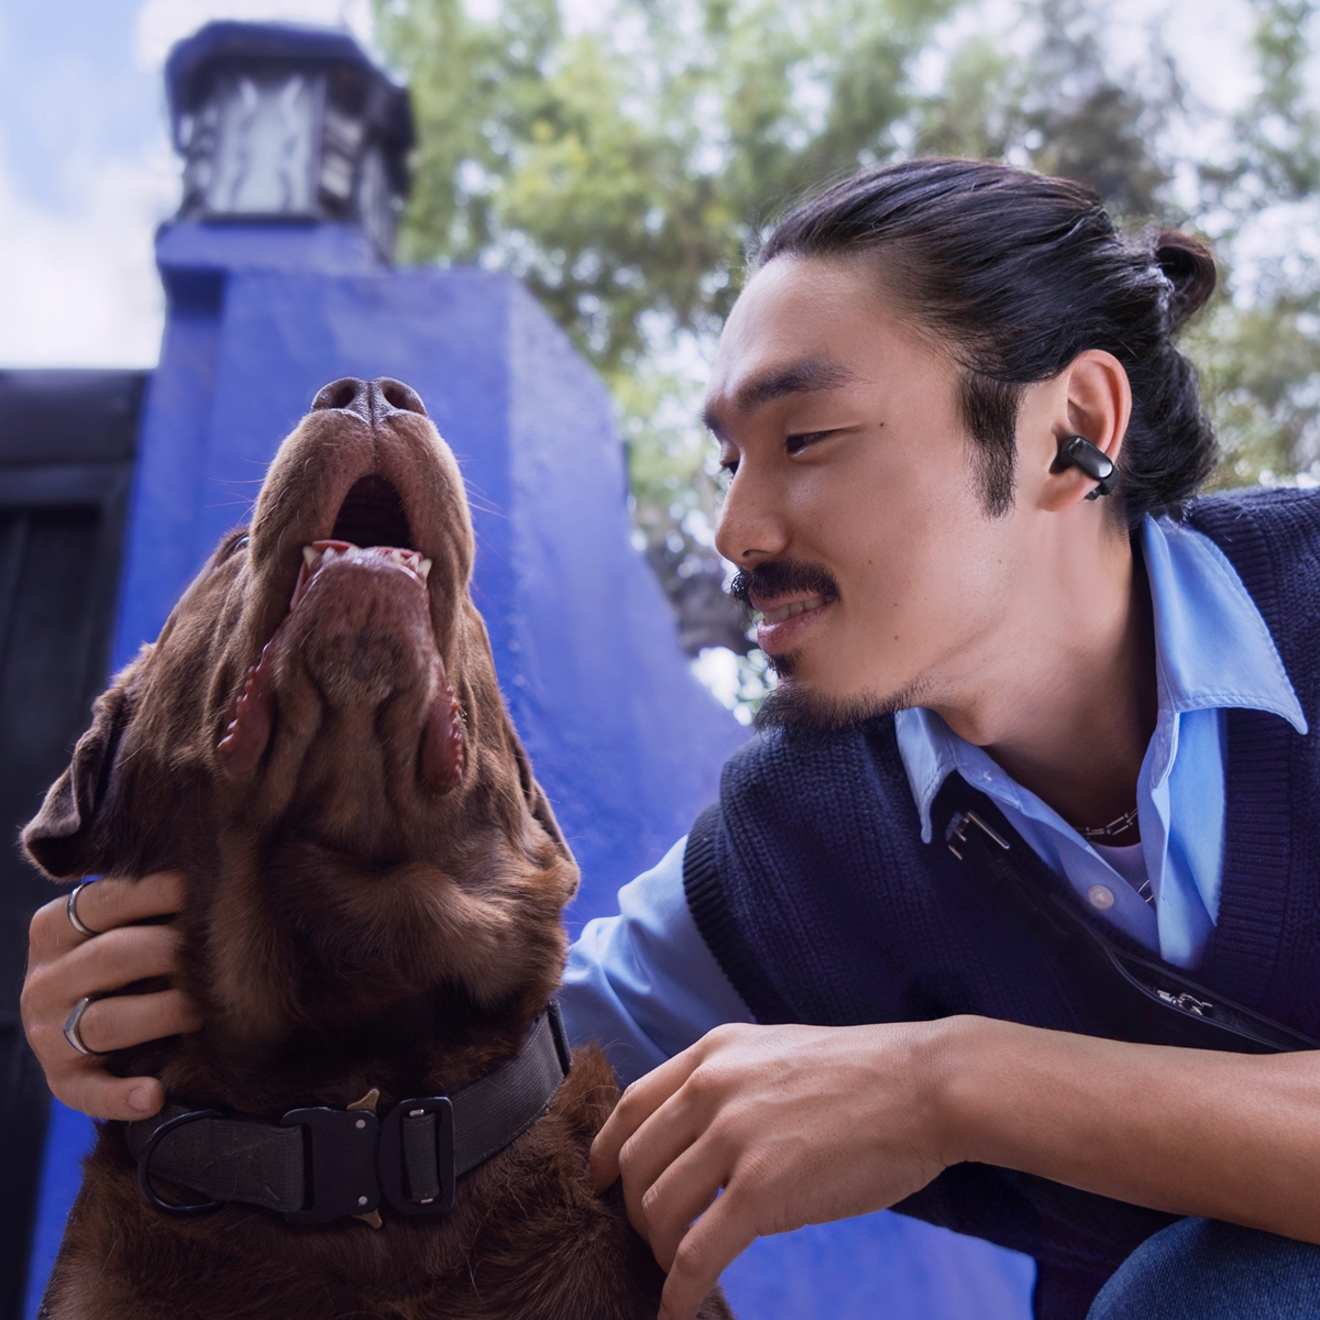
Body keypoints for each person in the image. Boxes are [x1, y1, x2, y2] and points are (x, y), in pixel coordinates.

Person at [22, 158, 1320, 1320]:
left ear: (1074, 432)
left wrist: (949, 1084)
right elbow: (500, 1063)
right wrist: (144, 1020)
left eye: (806, 438)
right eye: (728, 464)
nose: (737, 531)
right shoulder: (799, 852)